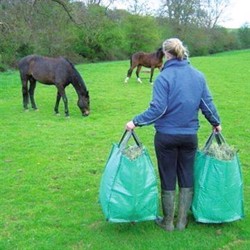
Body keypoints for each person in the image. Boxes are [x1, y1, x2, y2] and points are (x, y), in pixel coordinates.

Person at [125, 38, 222, 231]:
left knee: (168, 175)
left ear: (165, 54)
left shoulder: (163, 77)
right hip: (189, 137)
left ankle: (168, 222)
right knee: (187, 174)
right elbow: (207, 105)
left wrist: (135, 121)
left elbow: (158, 109)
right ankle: (181, 221)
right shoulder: (198, 76)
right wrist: (216, 123)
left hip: (166, 137)